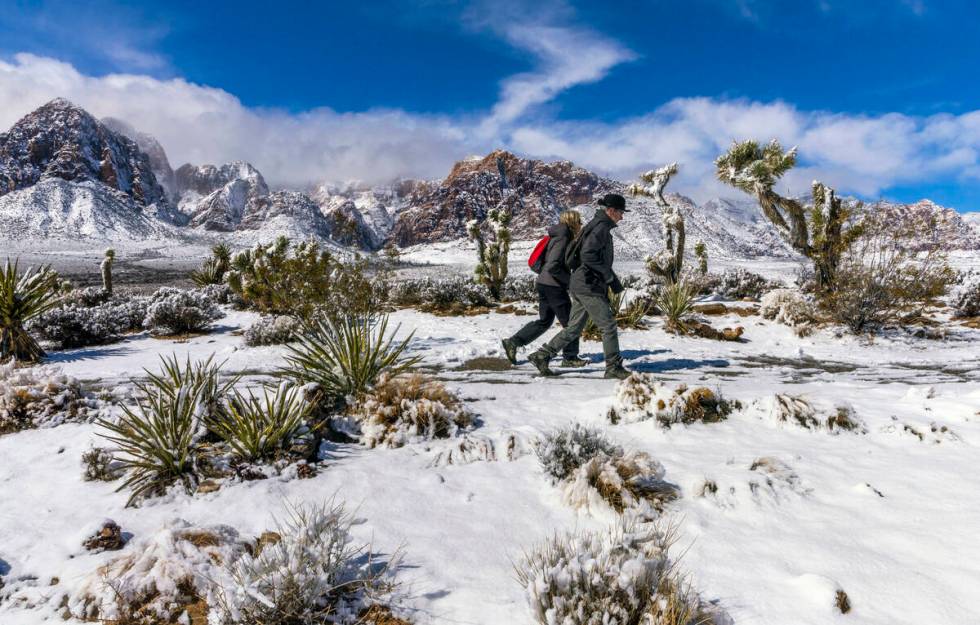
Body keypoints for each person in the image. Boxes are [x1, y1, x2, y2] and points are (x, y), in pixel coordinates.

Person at [528, 193, 632, 379]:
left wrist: (609, 278)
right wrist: (608, 276)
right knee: (608, 325)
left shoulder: (596, 225)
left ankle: (542, 355)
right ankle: (613, 367)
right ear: (611, 211)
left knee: (574, 328)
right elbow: (588, 255)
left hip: (581, 283)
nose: (622, 217)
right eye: (620, 212)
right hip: (588, 286)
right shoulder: (600, 227)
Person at [501, 210, 589, 368]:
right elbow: (554, 265)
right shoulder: (564, 236)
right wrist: (570, 282)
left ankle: (513, 342)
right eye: (579, 221)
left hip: (543, 283)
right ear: (573, 222)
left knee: (545, 321)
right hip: (553, 285)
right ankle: (569, 357)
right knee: (571, 323)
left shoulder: (556, 234)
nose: (580, 224)